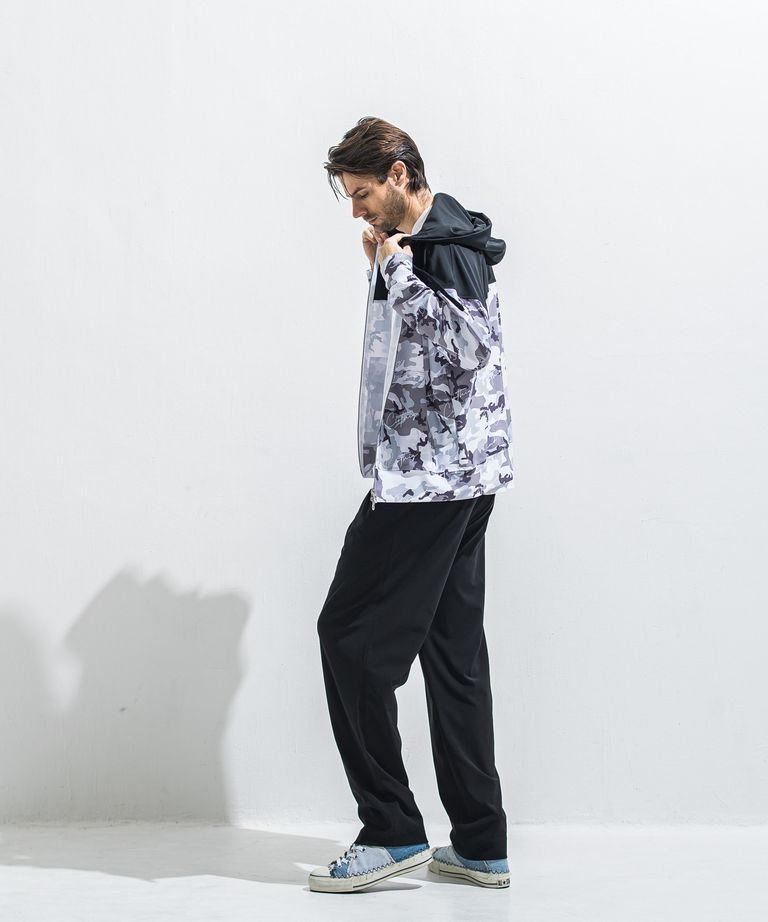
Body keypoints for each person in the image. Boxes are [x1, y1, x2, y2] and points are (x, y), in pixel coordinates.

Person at [308, 116, 514, 894]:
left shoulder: (438, 247)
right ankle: (481, 844)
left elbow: (470, 349)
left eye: (362, 193)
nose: (358, 211)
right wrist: (391, 262)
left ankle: (391, 830)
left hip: (429, 484)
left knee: (349, 638)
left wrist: (393, 269)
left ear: (399, 175)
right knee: (453, 657)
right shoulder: (432, 239)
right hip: (460, 477)